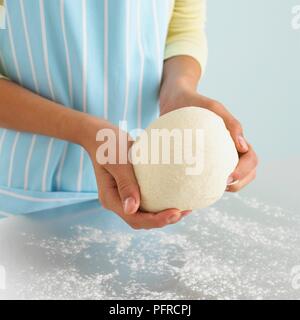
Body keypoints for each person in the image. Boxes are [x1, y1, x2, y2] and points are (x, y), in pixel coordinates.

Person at [0, 0, 257, 227]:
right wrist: (85, 130)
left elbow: (182, 26)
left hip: (143, 179)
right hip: (25, 189)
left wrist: (178, 91)